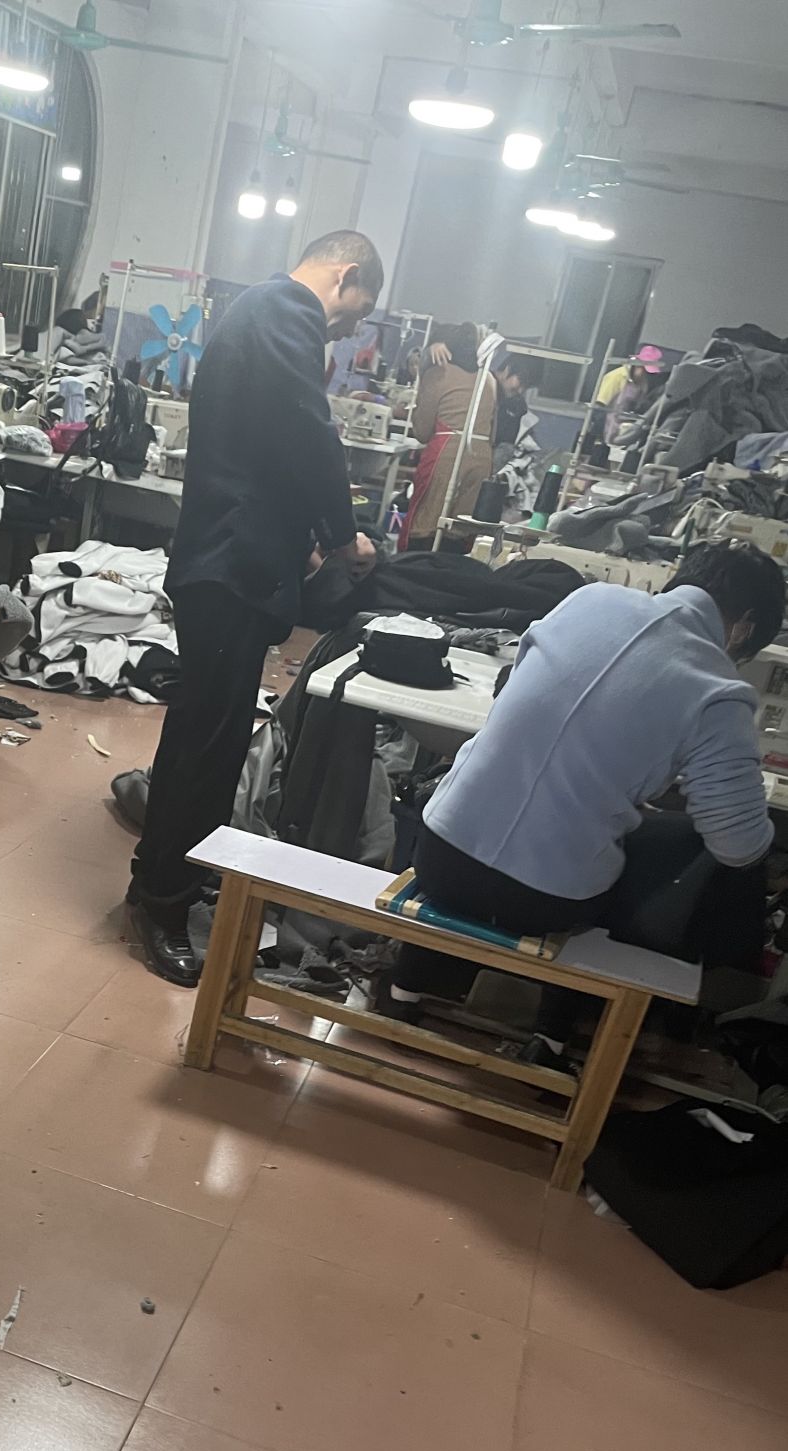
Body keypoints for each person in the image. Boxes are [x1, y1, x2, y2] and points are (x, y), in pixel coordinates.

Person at [382, 544, 785, 1066]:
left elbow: (519, 698)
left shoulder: (588, 601)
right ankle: (551, 1037)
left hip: (439, 852)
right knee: (674, 845)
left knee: (500, 801)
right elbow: (739, 845)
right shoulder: (719, 689)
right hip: (544, 900)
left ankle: (403, 991)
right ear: (744, 627)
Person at [126, 228, 384, 985]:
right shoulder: (286, 311)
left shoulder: (260, 313)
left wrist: (305, 539)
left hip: (231, 561)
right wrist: (341, 534)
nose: (349, 329)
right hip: (229, 567)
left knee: (206, 733)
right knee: (207, 744)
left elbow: (269, 444)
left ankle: (168, 873)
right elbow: (308, 431)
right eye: (357, 311)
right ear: (346, 275)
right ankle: (162, 901)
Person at [400, 322, 497, 549]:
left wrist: (427, 366)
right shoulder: (489, 378)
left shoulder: (438, 373)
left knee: (425, 526)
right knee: (460, 532)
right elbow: (494, 430)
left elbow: (422, 432)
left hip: (447, 455)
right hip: (482, 459)